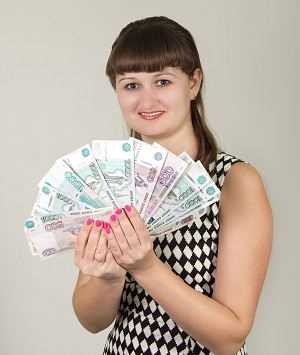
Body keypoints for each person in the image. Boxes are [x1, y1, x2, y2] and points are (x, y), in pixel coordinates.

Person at [72, 16, 273, 355]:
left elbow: (230, 336)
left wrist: (146, 267)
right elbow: (92, 320)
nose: (146, 101)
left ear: (193, 83)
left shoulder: (234, 181)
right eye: (131, 85)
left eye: (163, 81)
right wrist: (108, 277)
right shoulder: (112, 182)